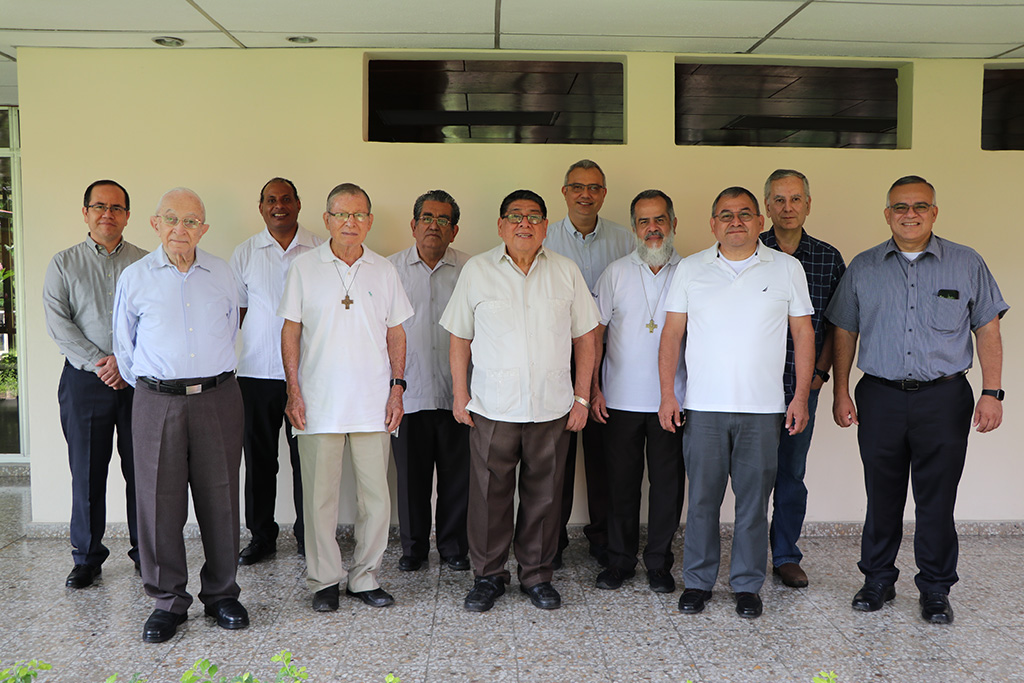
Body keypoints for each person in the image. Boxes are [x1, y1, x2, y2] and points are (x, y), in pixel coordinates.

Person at [827, 175, 1008, 625]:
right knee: (881, 495)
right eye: (901, 207)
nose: (911, 214)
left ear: (934, 212)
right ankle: (878, 580)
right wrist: (841, 390)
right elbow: (844, 330)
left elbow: (988, 328)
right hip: (881, 396)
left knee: (937, 498)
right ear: (887, 214)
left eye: (920, 206)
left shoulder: (966, 263)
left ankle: (935, 589)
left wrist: (992, 392)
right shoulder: (864, 267)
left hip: (944, 398)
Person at [658, 186, 814, 619]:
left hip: (764, 410)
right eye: (725, 215)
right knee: (703, 501)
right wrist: (669, 394)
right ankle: (698, 582)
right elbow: (671, 335)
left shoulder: (786, 268)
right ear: (713, 224)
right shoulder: (690, 269)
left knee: (752, 504)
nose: (736, 222)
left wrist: (799, 396)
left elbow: (803, 334)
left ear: (760, 221)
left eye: (745, 214)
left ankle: (747, 585)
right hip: (703, 408)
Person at [441, 189, 598, 612]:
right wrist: (460, 393)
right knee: (488, 495)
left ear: (546, 226)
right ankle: (488, 576)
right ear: (500, 225)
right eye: (514, 216)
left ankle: (537, 575)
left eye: (533, 216)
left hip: (552, 407)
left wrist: (582, 396)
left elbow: (586, 336)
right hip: (493, 406)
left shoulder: (566, 271)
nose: (524, 223)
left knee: (545, 496)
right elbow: (460, 335)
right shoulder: (477, 270)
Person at [113, 187, 248, 643]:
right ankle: (167, 601)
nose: (180, 229)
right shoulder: (135, 277)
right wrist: (161, 387)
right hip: (156, 400)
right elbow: (124, 347)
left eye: (191, 221)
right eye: (171, 218)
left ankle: (223, 594)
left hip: (217, 396)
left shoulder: (222, 273)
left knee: (222, 498)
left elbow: (232, 328)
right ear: (154, 224)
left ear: (203, 229)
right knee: (157, 503)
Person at [279, 183, 413, 612]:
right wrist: (294, 390)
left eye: (358, 215)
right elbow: (290, 330)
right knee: (320, 498)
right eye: (341, 215)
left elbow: (397, 331)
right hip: (317, 402)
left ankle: (365, 577)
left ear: (370, 221)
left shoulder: (384, 270)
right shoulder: (304, 268)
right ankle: (324, 581)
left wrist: (397, 388)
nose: (350, 223)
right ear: (327, 220)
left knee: (375, 497)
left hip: (374, 402)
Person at [43, 179, 147, 589]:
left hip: (139, 381)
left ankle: (147, 553)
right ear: (85, 212)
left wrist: (127, 364)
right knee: (86, 472)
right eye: (99, 206)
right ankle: (86, 558)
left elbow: (156, 323)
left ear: (127, 215)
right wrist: (103, 363)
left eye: (117, 207)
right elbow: (58, 322)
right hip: (85, 382)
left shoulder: (145, 262)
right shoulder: (63, 263)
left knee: (144, 472)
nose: (108, 213)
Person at [590, 190, 685, 594]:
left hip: (673, 399)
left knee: (667, 485)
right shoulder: (615, 272)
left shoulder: (692, 271)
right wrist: (592, 388)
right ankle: (620, 561)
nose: (653, 229)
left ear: (673, 223)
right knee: (621, 485)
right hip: (620, 399)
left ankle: (660, 563)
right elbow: (594, 335)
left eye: (659, 219)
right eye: (644, 222)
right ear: (633, 228)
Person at [543, 159, 634, 568]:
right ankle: (552, 542)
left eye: (594, 187)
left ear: (604, 193)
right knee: (554, 461)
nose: (585, 194)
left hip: (609, 366)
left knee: (603, 461)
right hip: (554, 363)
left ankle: (602, 540)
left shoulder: (624, 240)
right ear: (564, 192)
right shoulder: (545, 239)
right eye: (577, 187)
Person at [759, 169, 846, 589]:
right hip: (754, 388)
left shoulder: (829, 258)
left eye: (795, 199)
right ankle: (751, 554)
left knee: (791, 473)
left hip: (801, 388)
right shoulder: (749, 251)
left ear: (808, 204)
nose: (787, 207)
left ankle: (786, 555)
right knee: (754, 473)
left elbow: (837, 324)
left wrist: (820, 377)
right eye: (779, 199)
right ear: (767, 206)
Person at [231, 177, 323, 565]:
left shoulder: (320, 249)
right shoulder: (246, 253)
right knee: (260, 460)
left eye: (286, 199)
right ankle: (261, 537)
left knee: (310, 460)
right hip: (256, 374)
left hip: (309, 376)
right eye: (271, 200)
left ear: (299, 205)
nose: (279, 206)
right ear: (261, 207)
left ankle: (310, 536)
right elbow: (236, 314)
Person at [388, 190, 471, 572]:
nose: (433, 226)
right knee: (411, 480)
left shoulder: (472, 270)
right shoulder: (389, 271)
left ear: (454, 231)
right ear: (413, 225)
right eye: (427, 218)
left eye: (442, 220)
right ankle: (414, 549)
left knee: (459, 478)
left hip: (459, 393)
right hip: (409, 392)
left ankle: (454, 548)